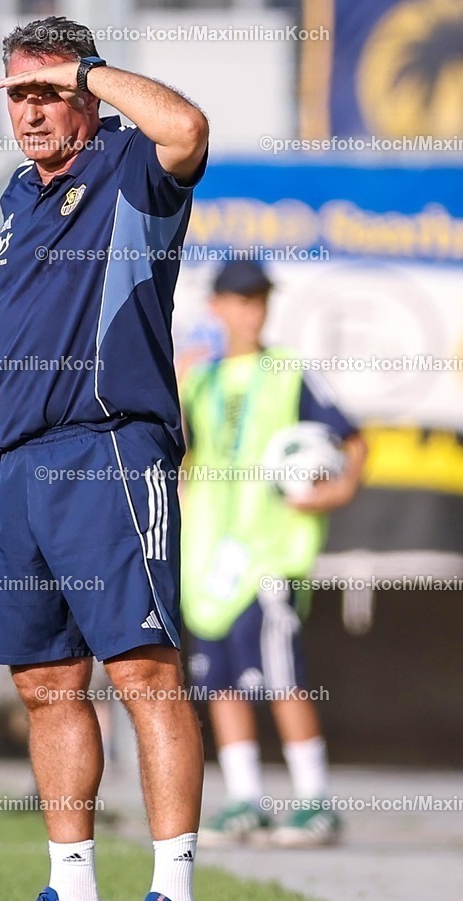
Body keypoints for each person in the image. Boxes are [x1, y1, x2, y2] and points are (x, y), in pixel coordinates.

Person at [0, 17, 210, 901]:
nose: (30, 112)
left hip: (106, 451)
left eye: (48, 93)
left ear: (84, 93)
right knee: (44, 682)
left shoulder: (130, 167)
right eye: (18, 95)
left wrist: (90, 70)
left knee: (143, 673)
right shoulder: (17, 196)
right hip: (20, 465)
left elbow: (186, 129)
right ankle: (71, 897)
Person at [180, 260, 367, 848]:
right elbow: (179, 454)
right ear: (216, 307)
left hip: (270, 552)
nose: (253, 311)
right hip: (207, 558)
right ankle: (245, 801)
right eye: (241, 300)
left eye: (260, 300)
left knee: (282, 675)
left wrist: (338, 488)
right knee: (221, 682)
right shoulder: (198, 381)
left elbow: (353, 440)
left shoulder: (289, 371)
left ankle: (315, 800)